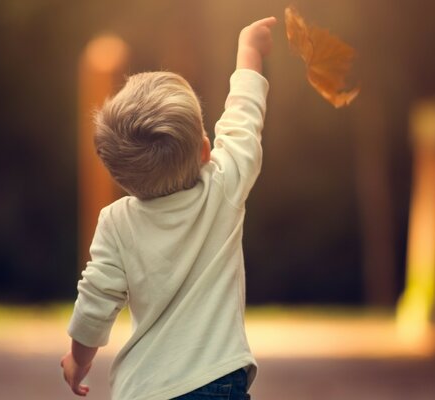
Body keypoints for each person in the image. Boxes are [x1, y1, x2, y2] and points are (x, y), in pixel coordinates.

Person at [61, 16, 277, 400]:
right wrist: (248, 50)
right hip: (217, 380)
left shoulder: (117, 222)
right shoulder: (222, 187)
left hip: (142, 388)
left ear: (118, 175)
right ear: (205, 151)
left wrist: (79, 358)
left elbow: (96, 300)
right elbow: (244, 119)